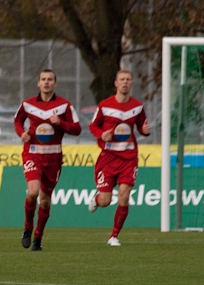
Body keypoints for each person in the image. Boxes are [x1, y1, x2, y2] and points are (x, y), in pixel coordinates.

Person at [14, 70, 81, 251]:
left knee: (45, 200)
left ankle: (38, 237)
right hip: (33, 154)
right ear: (38, 83)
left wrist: (60, 123)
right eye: (43, 79)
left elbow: (77, 129)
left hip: (53, 158)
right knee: (33, 191)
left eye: (50, 79)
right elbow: (17, 121)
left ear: (55, 84)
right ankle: (28, 227)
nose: (46, 82)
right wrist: (22, 133)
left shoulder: (64, 106)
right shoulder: (28, 104)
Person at [87, 69, 151, 246]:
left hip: (129, 158)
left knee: (124, 196)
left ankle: (114, 236)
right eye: (122, 79)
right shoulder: (104, 105)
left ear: (131, 84)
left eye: (128, 79)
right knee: (106, 200)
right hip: (108, 158)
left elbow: (141, 127)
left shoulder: (137, 106)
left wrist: (145, 132)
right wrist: (102, 135)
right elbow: (93, 126)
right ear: (116, 83)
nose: (125, 82)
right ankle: (97, 199)